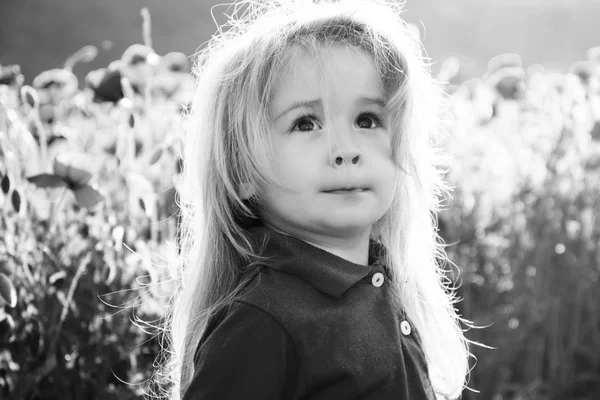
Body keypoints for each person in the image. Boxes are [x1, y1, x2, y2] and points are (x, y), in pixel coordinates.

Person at [155, 0, 473, 399]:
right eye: (306, 123)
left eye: (367, 120)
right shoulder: (262, 323)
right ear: (241, 172)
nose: (346, 149)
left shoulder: (386, 287)